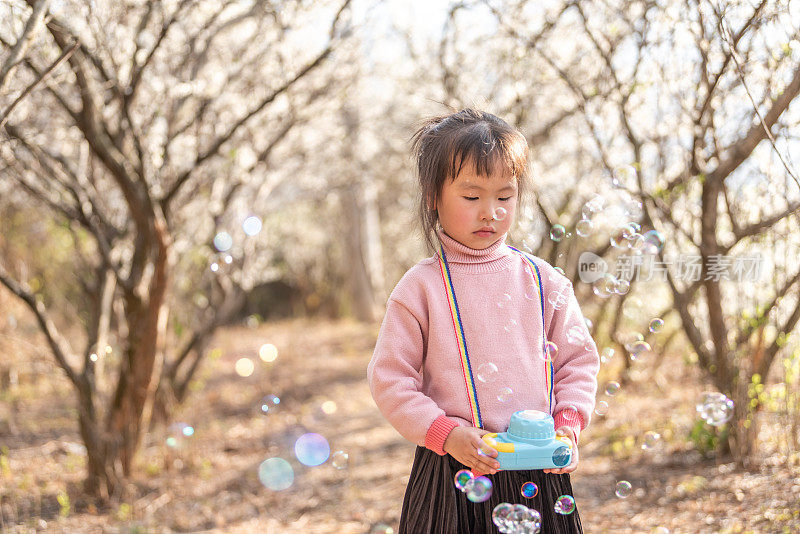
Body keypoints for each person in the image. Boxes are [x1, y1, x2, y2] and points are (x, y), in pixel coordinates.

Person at [367, 108, 600, 533]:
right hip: (452, 471)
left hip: (537, 471)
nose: (490, 211)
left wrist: (567, 426)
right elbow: (390, 379)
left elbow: (576, 362)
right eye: (472, 197)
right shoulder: (421, 288)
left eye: (504, 196)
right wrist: (444, 433)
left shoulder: (543, 280)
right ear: (433, 197)